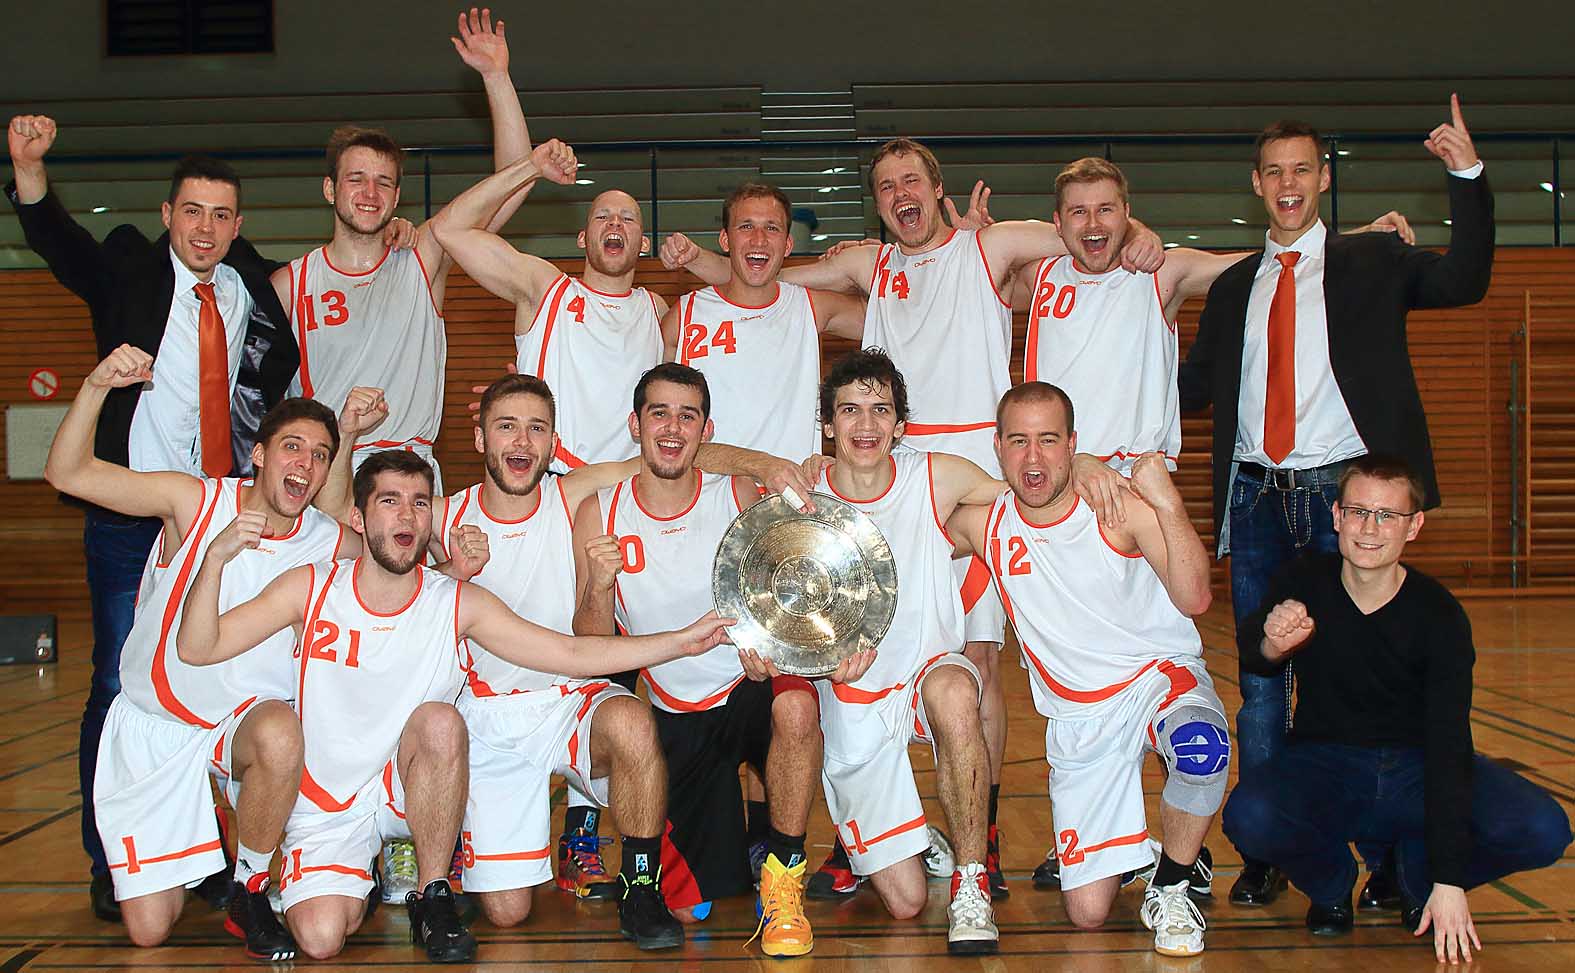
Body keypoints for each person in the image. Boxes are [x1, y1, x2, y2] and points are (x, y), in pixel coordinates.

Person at [666, 139, 1163, 896]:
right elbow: (767, 276)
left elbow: (1083, 230)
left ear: (938, 189)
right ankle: (870, 831)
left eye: (912, 181)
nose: (901, 193)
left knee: (975, 664)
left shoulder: (988, 246)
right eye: (886, 185)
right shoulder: (872, 265)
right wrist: (700, 261)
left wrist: (1139, 235)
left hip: (968, 485)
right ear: (877, 202)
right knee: (860, 654)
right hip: (880, 476)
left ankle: (979, 836)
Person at [175, 449, 732, 963]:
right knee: (321, 939)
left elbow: (568, 652)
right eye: (389, 501)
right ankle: (349, 876)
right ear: (358, 519)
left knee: (442, 723)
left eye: (420, 503)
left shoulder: (457, 601)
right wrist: (215, 558)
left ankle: (433, 892)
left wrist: (680, 642)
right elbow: (198, 648)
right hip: (330, 798)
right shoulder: (311, 587)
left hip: (410, 784)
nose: (407, 515)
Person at [1179, 95, 1495, 906]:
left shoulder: (1372, 258)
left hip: (1341, 498)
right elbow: (1190, 389)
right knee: (1260, 685)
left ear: (1321, 178)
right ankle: (1268, 846)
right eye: (1272, 172)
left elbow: (1463, 280)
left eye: (1301, 170)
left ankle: (1383, 853)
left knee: (1360, 676)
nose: (1287, 184)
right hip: (1254, 498)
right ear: (1255, 183)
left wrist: (1465, 174)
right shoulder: (1232, 287)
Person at [8, 113, 299, 921]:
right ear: (168, 213)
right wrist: (29, 171)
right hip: (131, 517)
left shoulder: (248, 287)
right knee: (115, 680)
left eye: (220, 215)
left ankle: (199, 855)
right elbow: (61, 245)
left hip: (216, 518)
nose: (205, 228)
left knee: (214, 680)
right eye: (192, 211)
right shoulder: (130, 269)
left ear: (237, 225)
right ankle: (110, 860)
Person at [42, 345, 383, 958]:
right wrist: (95, 386)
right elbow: (69, 474)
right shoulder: (194, 501)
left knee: (281, 732)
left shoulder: (328, 541)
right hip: (159, 726)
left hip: (241, 730)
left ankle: (248, 886)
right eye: (293, 447)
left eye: (320, 455)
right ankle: (201, 845)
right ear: (260, 454)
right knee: (149, 931)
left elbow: (398, 565)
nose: (305, 463)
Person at [572, 363, 873, 958]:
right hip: (677, 711)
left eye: (687, 416)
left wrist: (800, 650)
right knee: (691, 906)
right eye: (659, 413)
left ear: (706, 431)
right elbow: (590, 645)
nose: (672, 428)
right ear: (635, 425)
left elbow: (793, 588)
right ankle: (725, 853)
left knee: (796, 707)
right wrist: (600, 587)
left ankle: (784, 878)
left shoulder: (736, 496)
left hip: (747, 683)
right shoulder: (600, 512)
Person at [1222, 454, 1570, 962]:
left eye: (1387, 515)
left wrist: (1448, 880)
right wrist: (1273, 643)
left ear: (1414, 526)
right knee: (1249, 815)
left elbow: (1449, 745)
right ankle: (1332, 886)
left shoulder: (1439, 614)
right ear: (1337, 516)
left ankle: (1414, 877)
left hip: (1416, 770)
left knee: (1543, 828)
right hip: (1327, 765)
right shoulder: (1305, 579)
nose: (1370, 528)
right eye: (1358, 512)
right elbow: (1256, 652)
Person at [947, 382, 1228, 956]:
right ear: (997, 447)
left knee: (1202, 748)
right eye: (1019, 441)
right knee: (1087, 913)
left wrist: (1169, 504)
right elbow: (909, 512)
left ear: (1073, 444)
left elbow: (1196, 597)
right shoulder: (985, 524)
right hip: (1079, 719)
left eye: (1049, 440)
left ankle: (1173, 886)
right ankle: (1147, 851)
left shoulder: (1115, 507)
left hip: (1155, 680)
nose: (1033, 457)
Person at [791, 348, 1007, 954]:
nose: (866, 425)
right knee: (907, 902)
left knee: (958, 690)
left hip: (926, 672)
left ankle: (972, 880)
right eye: (849, 411)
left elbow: (1029, 492)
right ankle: (922, 838)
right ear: (827, 425)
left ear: (901, 425)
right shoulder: (803, 499)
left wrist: (1088, 466)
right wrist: (811, 659)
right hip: (854, 694)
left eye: (880, 410)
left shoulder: (937, 477)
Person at [271, 7, 531, 492]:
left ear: (396, 198)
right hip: (326, 473)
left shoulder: (423, 258)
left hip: (409, 473)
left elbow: (513, 184)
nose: (369, 193)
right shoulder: (289, 283)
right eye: (356, 179)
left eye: (383, 182)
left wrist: (497, 78)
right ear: (330, 189)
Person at [433, 141, 663, 475]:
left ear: (644, 244)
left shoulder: (657, 310)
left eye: (627, 219)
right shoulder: (545, 288)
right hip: (553, 479)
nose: (614, 223)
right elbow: (448, 228)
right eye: (602, 217)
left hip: (631, 485)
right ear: (582, 238)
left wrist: (698, 259)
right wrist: (531, 166)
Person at [663, 182, 865, 460]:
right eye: (746, 226)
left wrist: (863, 261)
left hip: (790, 484)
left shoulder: (811, 307)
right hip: (707, 483)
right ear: (725, 240)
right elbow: (654, 415)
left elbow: (887, 316)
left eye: (772, 228)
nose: (759, 239)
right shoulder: (684, 315)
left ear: (788, 244)